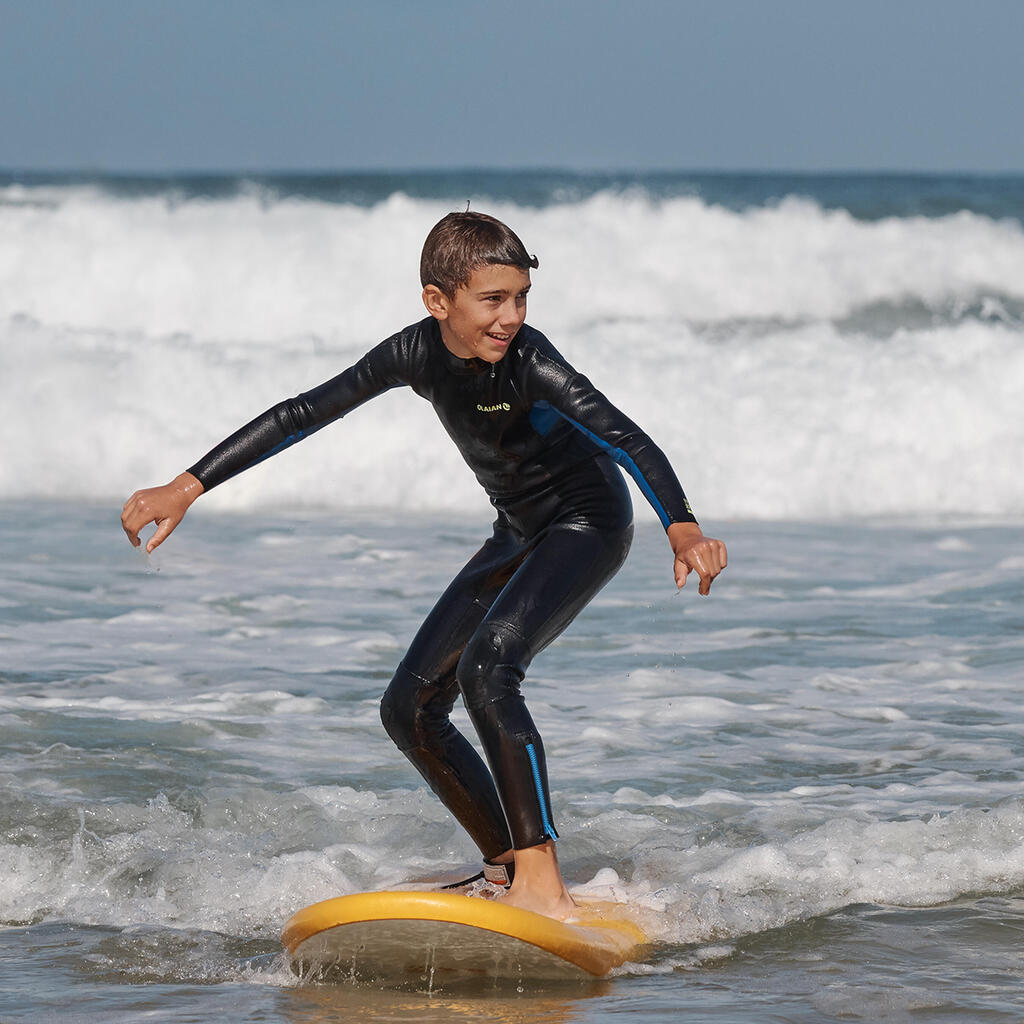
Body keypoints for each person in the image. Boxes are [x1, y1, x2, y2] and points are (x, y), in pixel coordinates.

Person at [121, 211, 727, 921]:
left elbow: (623, 437)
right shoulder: (413, 353)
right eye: (493, 300)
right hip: (518, 531)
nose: (512, 317)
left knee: (488, 668)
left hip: (587, 525)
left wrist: (681, 528)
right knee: (407, 707)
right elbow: (302, 414)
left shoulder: (533, 361)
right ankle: (504, 864)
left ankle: (542, 877)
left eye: (522, 297)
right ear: (438, 302)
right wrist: (188, 485)